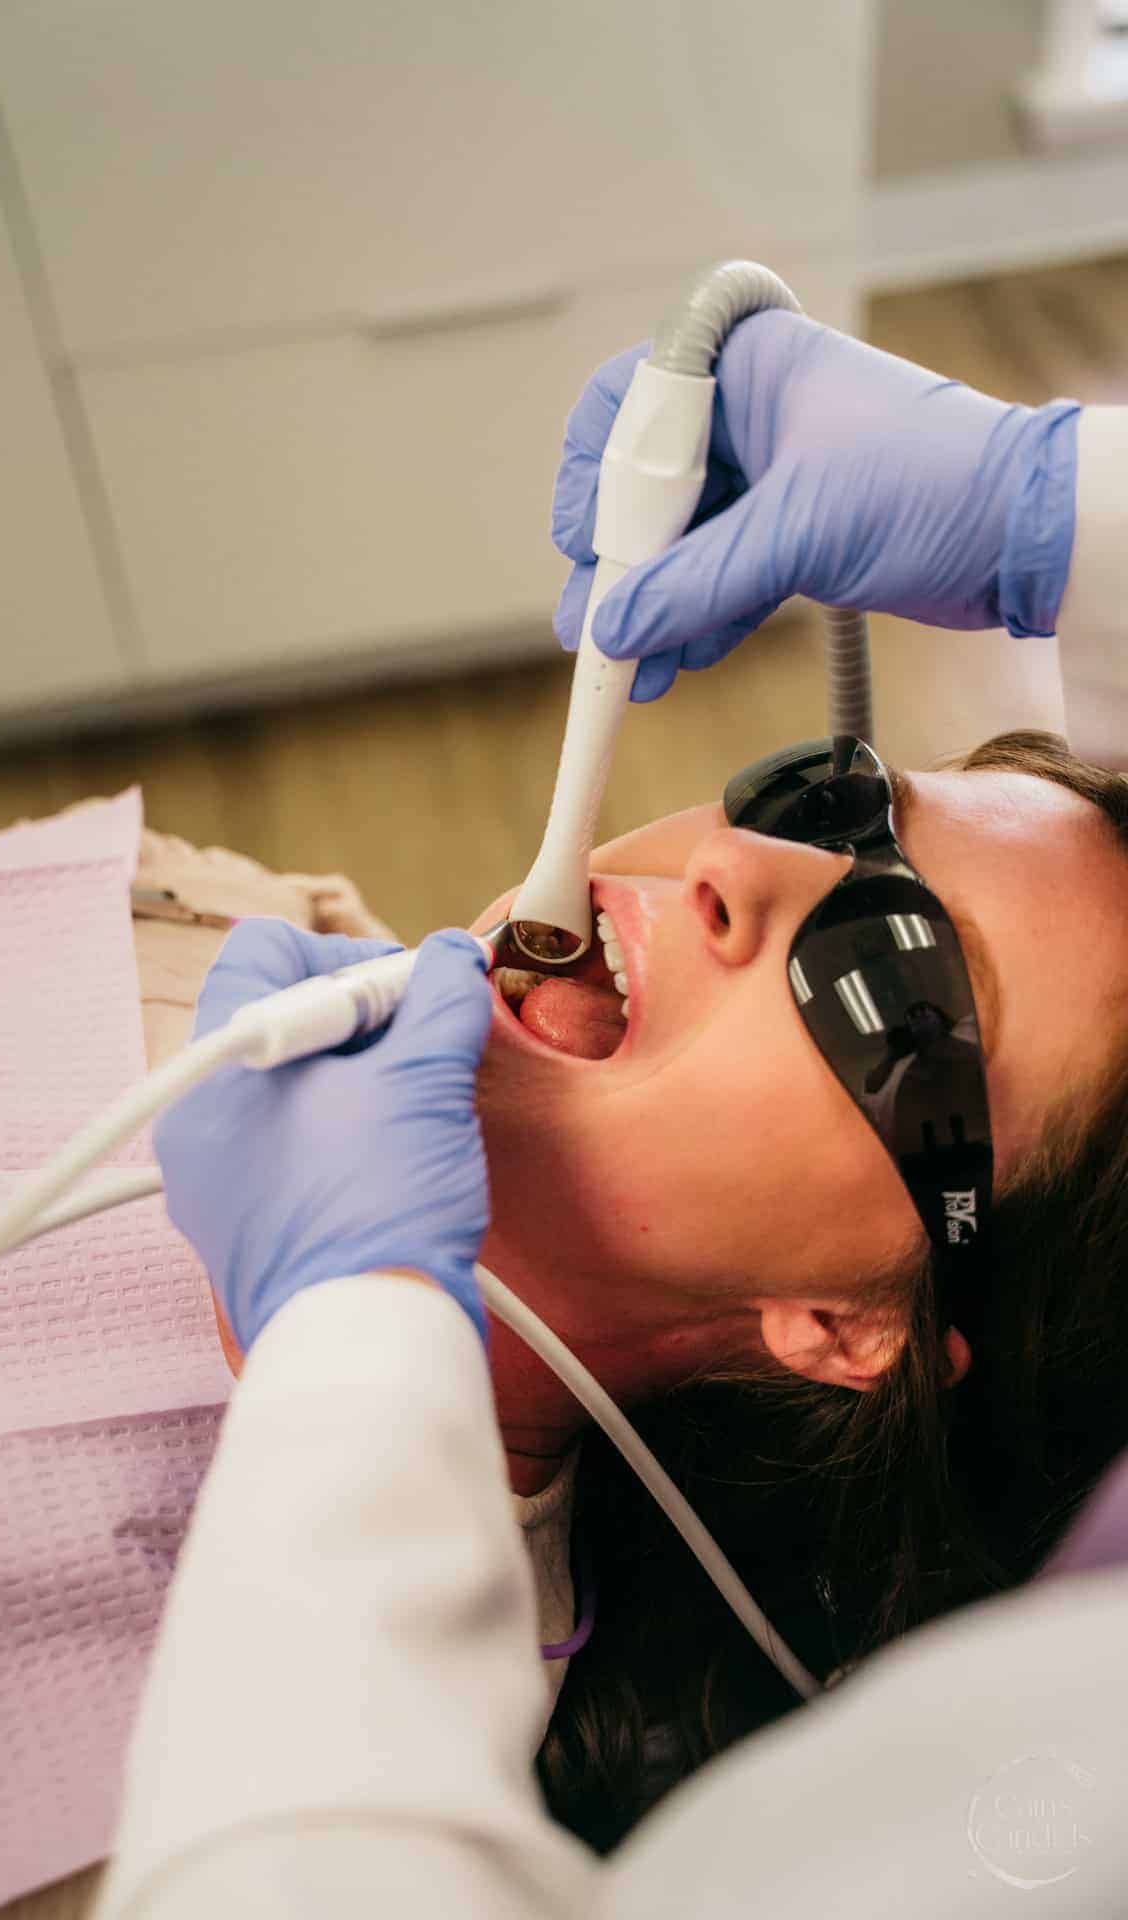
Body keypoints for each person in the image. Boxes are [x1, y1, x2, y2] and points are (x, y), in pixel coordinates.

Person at [94, 312, 1128, 1917]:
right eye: (833, 803)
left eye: (895, 982)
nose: (734, 860)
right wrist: (1057, 498)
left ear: (850, 1323)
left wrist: (352, 1330)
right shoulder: (182, 913)